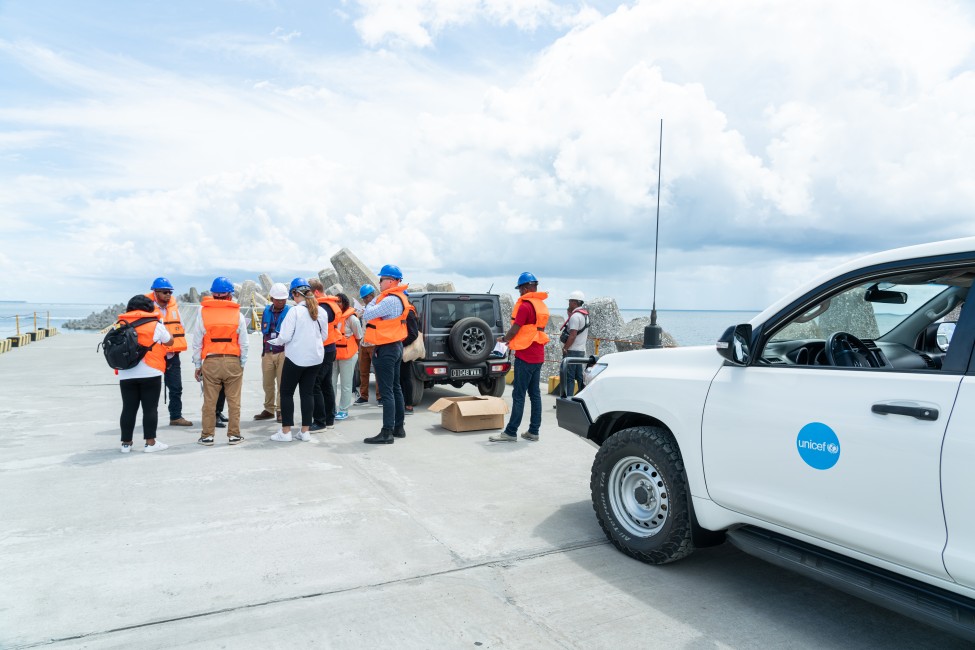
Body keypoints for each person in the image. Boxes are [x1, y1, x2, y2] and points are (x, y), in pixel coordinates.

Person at [490, 272, 549, 442]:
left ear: (524, 288)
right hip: (538, 355)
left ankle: (510, 432)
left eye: (520, 289)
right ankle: (534, 431)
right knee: (535, 395)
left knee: (519, 395)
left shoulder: (524, 306)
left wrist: (504, 340)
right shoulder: (541, 306)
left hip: (525, 355)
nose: (520, 293)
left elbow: (516, 329)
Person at [267, 279, 329, 442]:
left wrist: (277, 341)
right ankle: (305, 431)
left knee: (286, 393)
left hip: (295, 358)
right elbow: (324, 336)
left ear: (295, 294)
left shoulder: (294, 312)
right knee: (307, 393)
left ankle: (286, 432)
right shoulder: (320, 311)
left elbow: (285, 336)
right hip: (315, 359)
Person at [190, 277, 249, 446]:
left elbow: (197, 342)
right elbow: (244, 343)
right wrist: (242, 363)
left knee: (209, 402)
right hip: (232, 362)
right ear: (230, 296)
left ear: (213, 294)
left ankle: (207, 436)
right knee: (234, 401)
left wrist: (197, 365)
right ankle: (234, 435)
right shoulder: (236, 314)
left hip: (211, 362)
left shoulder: (203, 312)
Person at [116, 294, 174, 453]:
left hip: (126, 372)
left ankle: (126, 444)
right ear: (149, 308)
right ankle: (150, 443)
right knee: (150, 408)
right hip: (151, 371)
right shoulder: (155, 324)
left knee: (128, 408)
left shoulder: (120, 324)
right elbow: (170, 341)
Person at [361, 265, 409, 444]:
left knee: (387, 392)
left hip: (386, 349)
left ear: (390, 281)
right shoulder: (401, 297)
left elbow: (367, 313)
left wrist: (374, 300)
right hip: (396, 346)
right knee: (396, 388)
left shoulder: (389, 300)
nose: (379, 283)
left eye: (381, 280)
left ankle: (387, 432)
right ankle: (399, 427)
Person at [145, 277, 192, 427]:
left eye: (170, 292)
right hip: (153, 356)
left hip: (171, 355)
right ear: (155, 292)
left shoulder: (173, 308)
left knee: (176, 388)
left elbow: (181, 326)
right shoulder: (146, 308)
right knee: (151, 390)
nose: (168, 295)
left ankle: (176, 416)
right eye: (165, 292)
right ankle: (150, 418)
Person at [254, 282, 290, 422]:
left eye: (283, 299)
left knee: (282, 383)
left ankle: (280, 410)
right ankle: (269, 408)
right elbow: (265, 334)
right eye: (278, 299)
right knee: (267, 383)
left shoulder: (291, 311)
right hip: (268, 351)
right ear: (272, 299)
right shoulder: (266, 311)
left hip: (283, 351)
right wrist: (263, 352)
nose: (281, 301)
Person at [308, 278, 340, 431]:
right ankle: (329, 418)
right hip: (330, 349)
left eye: (308, 295)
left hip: (324, 350)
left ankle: (320, 421)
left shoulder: (324, 307)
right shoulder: (330, 305)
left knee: (316, 385)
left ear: (315, 292)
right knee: (326, 385)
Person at [332, 292, 362, 420]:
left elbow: (358, 337)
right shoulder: (332, 317)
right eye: (335, 301)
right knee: (330, 383)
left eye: (340, 301)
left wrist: (351, 348)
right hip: (333, 355)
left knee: (346, 384)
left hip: (348, 355)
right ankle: (331, 408)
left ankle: (343, 410)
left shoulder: (352, 319)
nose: (337, 304)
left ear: (345, 303)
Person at [354, 284, 381, 406]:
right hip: (364, 343)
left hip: (374, 343)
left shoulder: (378, 308)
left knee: (378, 372)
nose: (364, 300)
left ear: (371, 296)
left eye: (365, 298)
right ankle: (364, 396)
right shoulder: (365, 308)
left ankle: (380, 397)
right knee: (363, 371)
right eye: (363, 298)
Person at [561, 291, 590, 397]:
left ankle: (568, 399)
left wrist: (565, 348)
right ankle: (583, 397)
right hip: (581, 351)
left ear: (575, 302)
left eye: (570, 301)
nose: (568, 303)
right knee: (579, 377)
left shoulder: (575, 316)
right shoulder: (585, 315)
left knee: (569, 377)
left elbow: (572, 335)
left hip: (572, 350)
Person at [399, 297, 420, 415]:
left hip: (405, 349)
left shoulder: (409, 313)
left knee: (406, 378)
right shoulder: (406, 311)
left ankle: (409, 405)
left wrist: (400, 344)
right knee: (401, 378)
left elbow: (413, 334)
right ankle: (403, 403)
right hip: (402, 348)